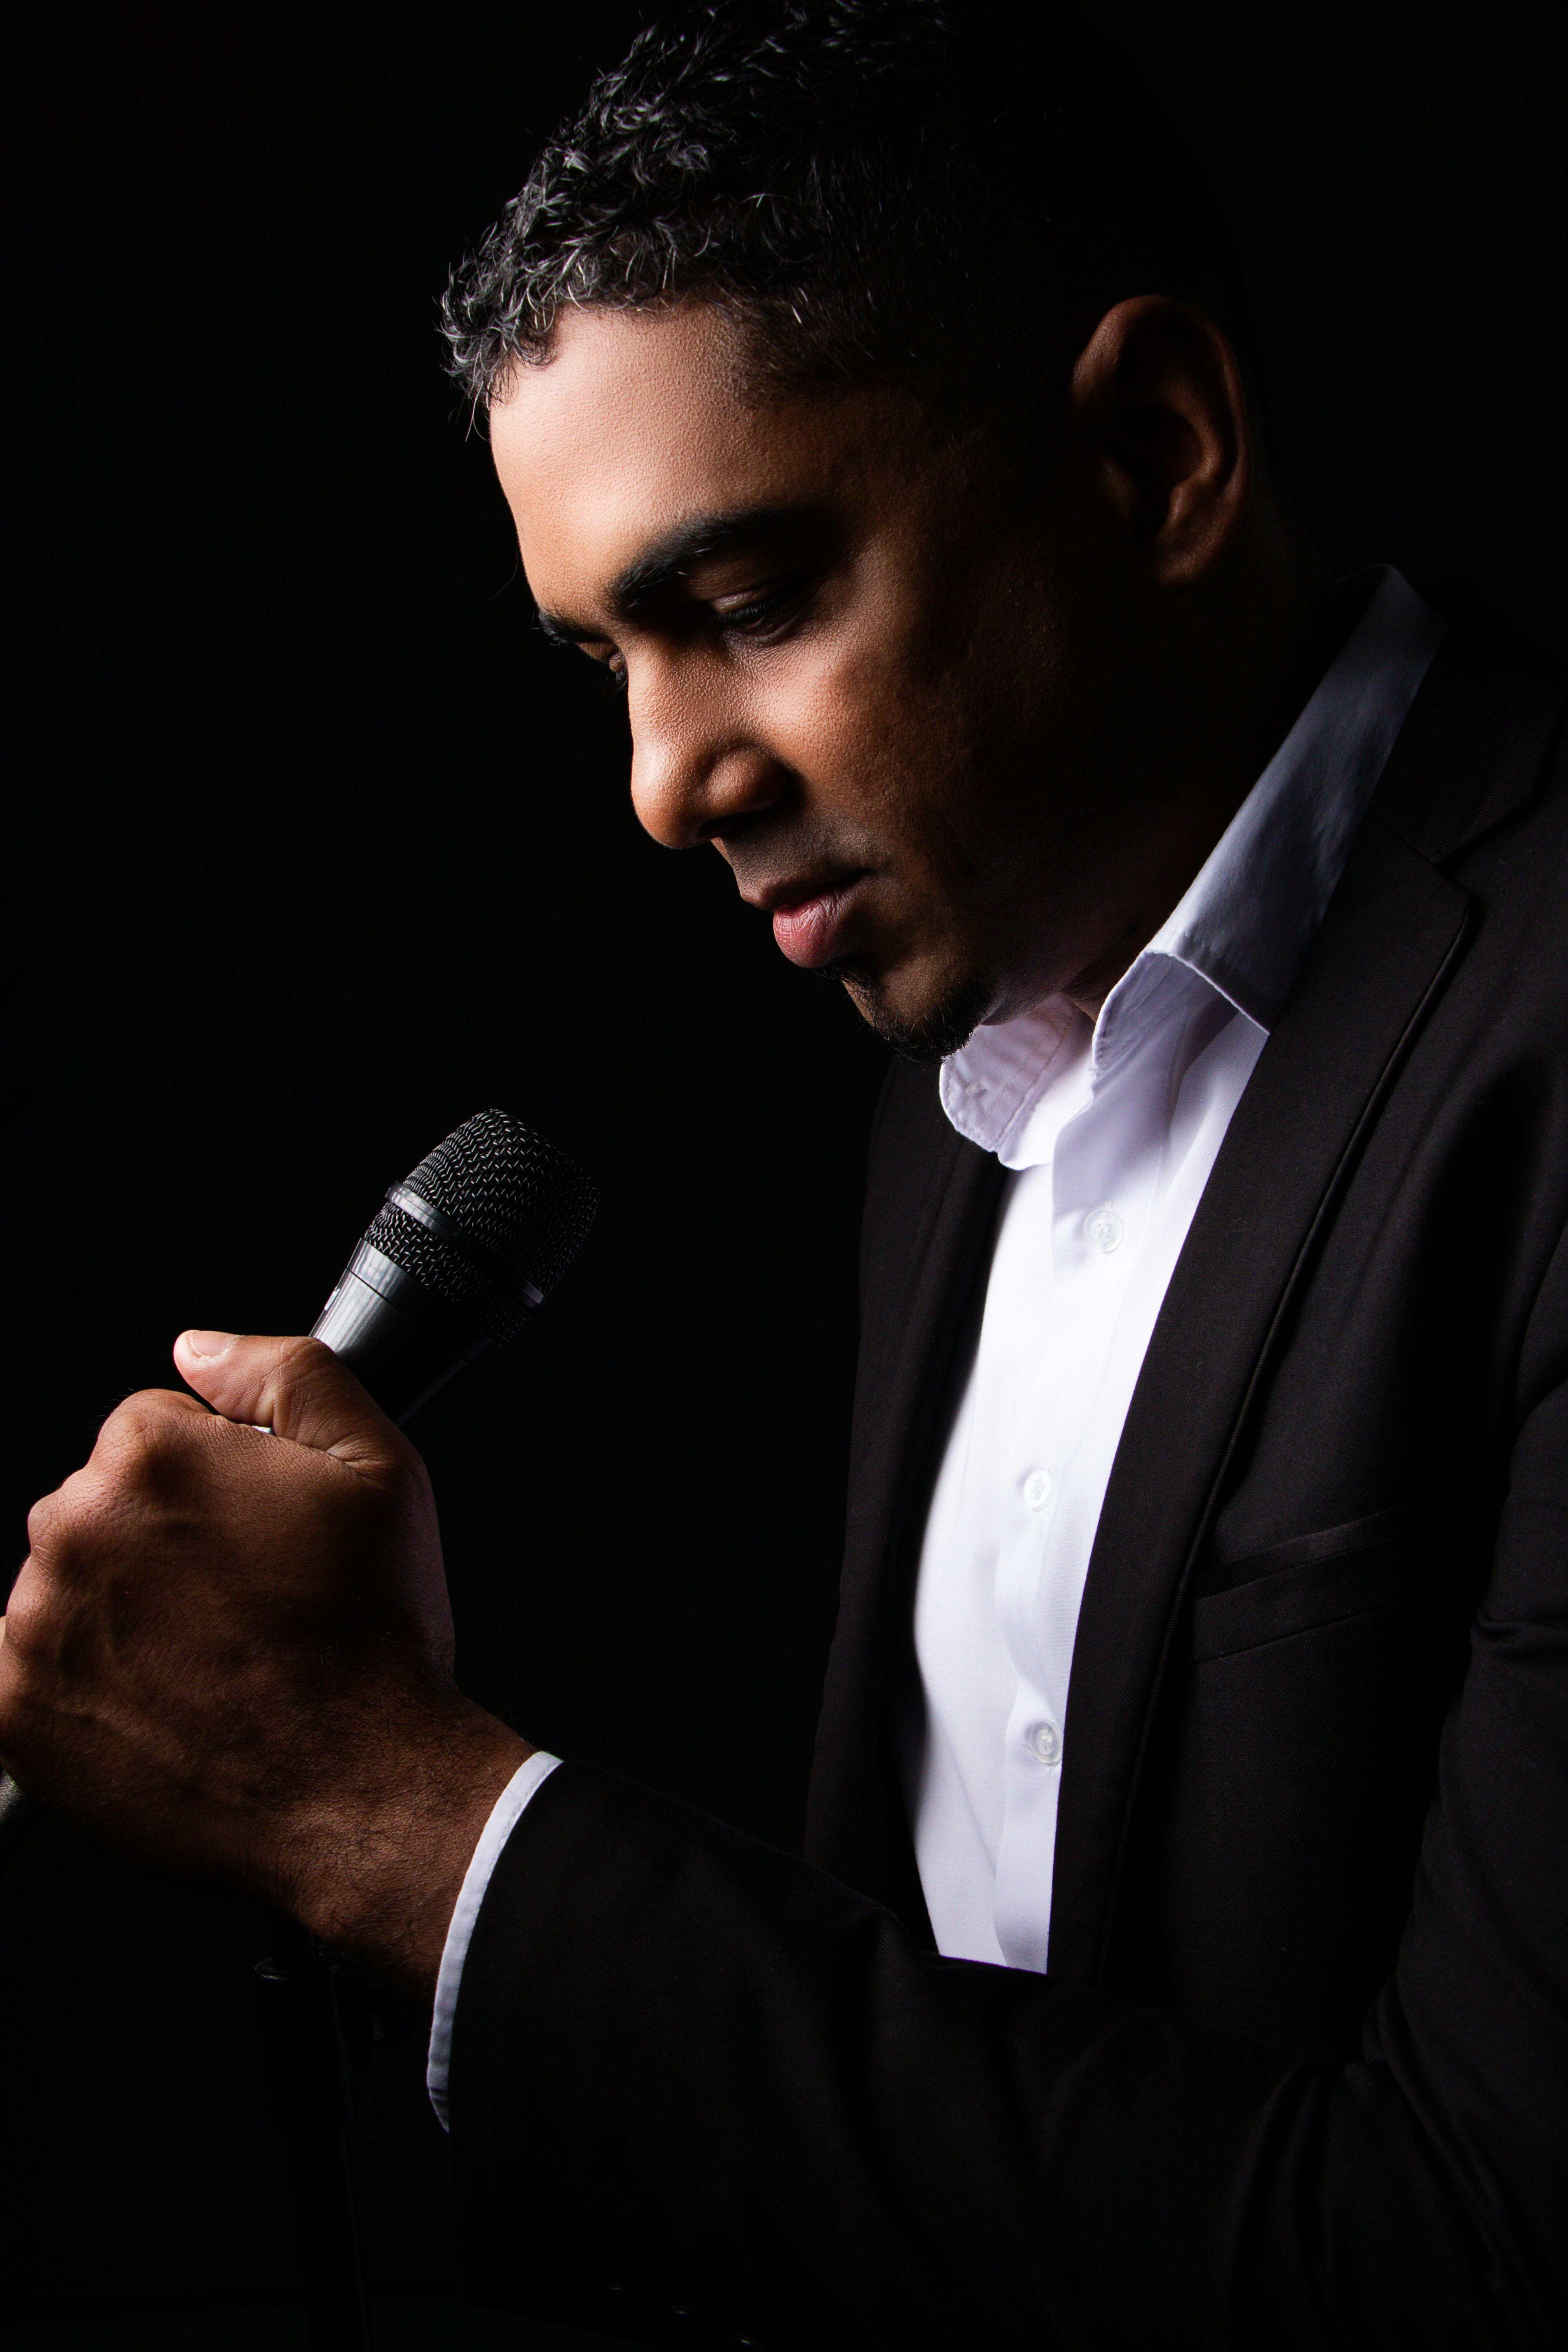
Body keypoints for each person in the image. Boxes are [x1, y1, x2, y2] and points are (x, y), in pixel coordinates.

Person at [3, 2, 1564, 2343]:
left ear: (1154, 451)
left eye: (744, 608)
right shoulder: (957, 1094)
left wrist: (406, 1828)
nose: (658, 781)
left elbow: (1479, 2261)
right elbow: (937, 2121)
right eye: (601, 657)